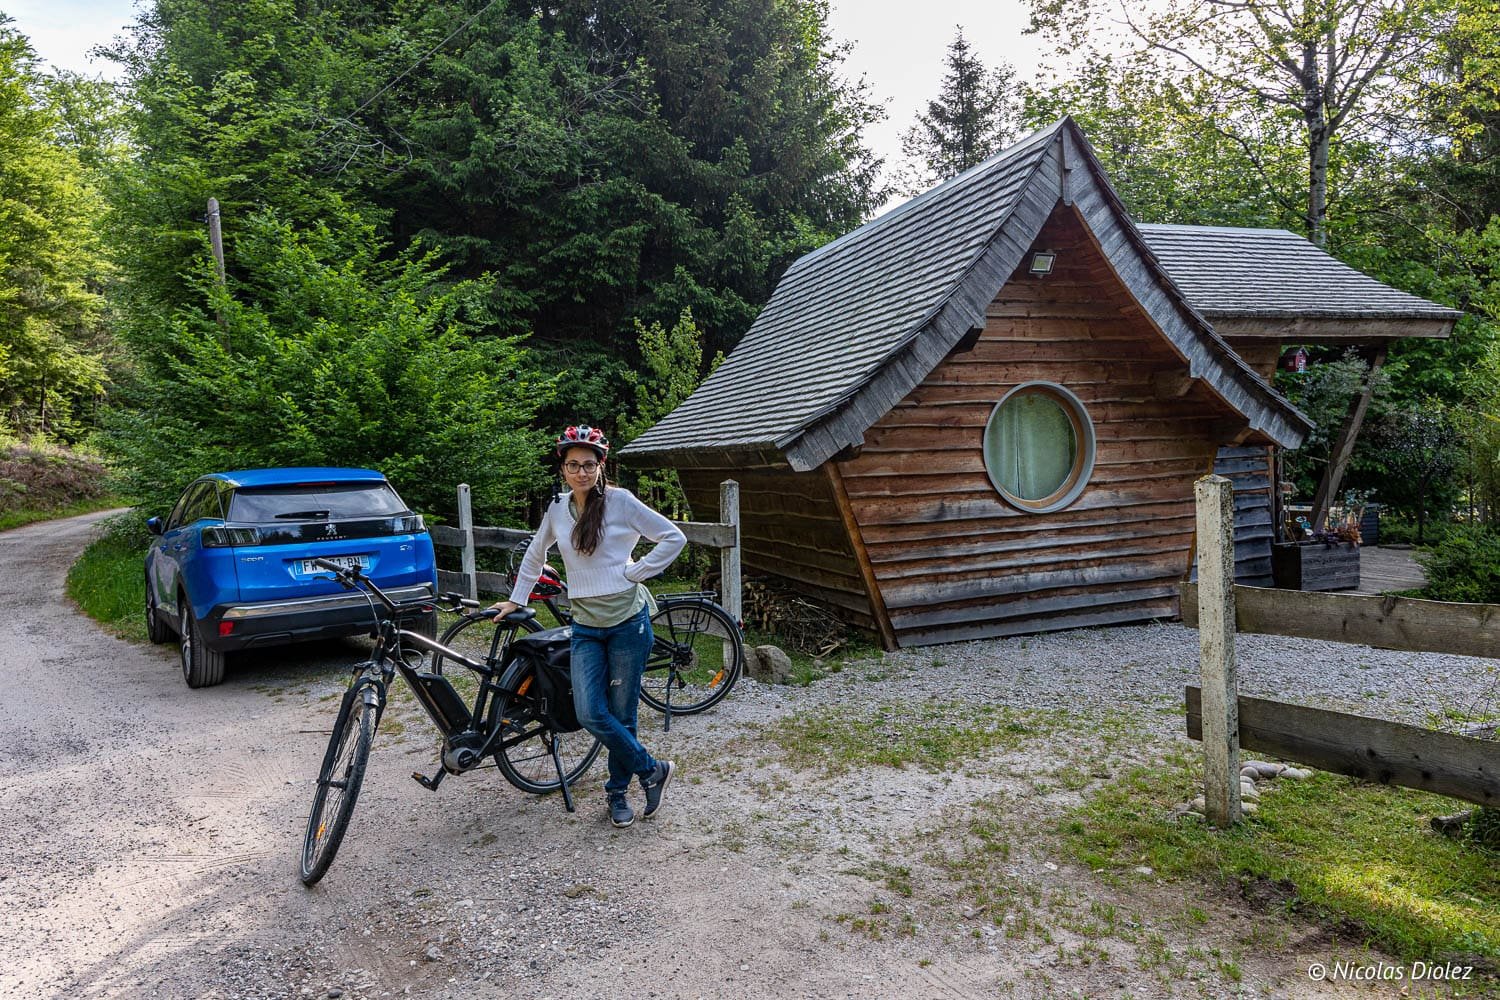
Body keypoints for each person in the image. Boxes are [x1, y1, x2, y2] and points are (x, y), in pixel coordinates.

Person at [491, 424, 685, 828]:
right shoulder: (557, 509)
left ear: (601, 466)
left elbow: (673, 537)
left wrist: (636, 572)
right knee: (590, 712)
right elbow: (534, 553)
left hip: (628, 624)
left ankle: (617, 794)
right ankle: (653, 770)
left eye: (589, 464)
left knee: (622, 713)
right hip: (585, 626)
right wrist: (518, 599)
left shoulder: (621, 502)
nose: (581, 472)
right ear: (562, 468)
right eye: (573, 464)